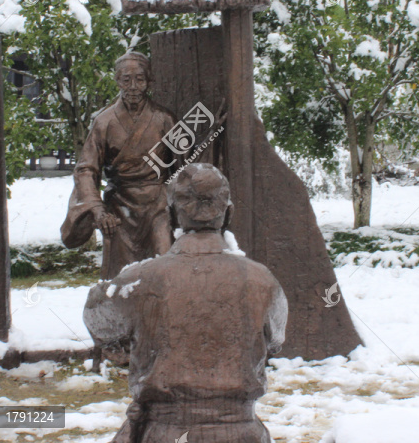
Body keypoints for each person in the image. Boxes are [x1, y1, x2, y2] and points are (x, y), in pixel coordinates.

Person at [83, 163, 288, 443]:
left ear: (171, 217)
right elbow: (274, 343)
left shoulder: (139, 281)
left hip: (164, 434)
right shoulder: (263, 281)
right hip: (242, 434)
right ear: (228, 214)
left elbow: (100, 323)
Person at [61, 52, 178, 279]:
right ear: (117, 80)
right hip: (119, 205)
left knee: (164, 267)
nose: (133, 86)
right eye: (126, 80)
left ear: (149, 81)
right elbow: (86, 169)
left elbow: (182, 165)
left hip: (158, 204)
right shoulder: (104, 122)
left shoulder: (164, 118)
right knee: (121, 278)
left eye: (140, 79)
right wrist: (97, 209)